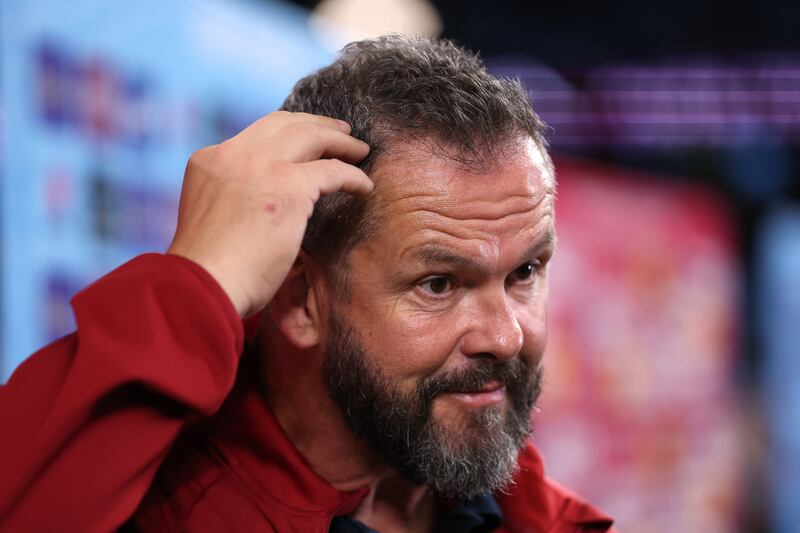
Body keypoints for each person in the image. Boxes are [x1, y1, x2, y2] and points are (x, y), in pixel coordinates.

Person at [0, 35, 617, 532]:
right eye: (438, 283)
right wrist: (197, 283)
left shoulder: (542, 517)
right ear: (298, 299)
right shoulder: (166, 509)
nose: (506, 337)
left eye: (525, 272)